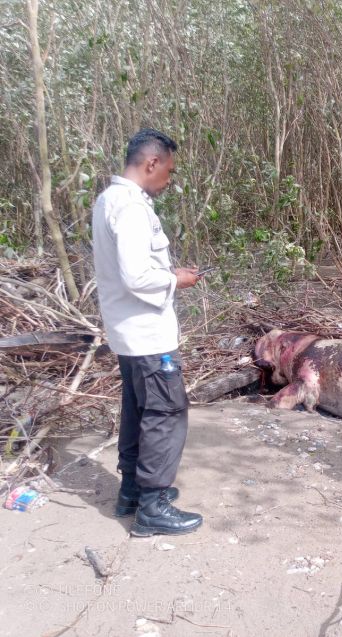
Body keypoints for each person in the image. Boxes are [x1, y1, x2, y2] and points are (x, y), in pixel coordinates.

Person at [92, 128, 203, 536]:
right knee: (165, 413)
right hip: (147, 334)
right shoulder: (132, 208)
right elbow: (137, 275)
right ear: (151, 163)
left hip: (127, 332)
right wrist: (177, 280)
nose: (168, 181)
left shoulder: (109, 199)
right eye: (168, 172)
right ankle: (152, 506)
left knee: (137, 410)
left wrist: (170, 275)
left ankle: (132, 491)